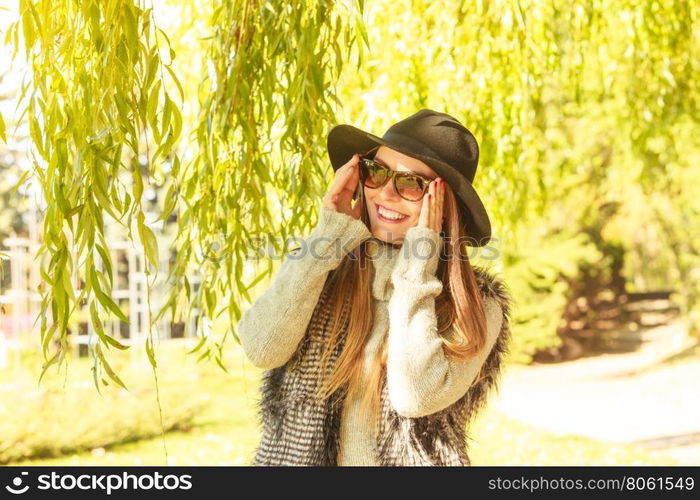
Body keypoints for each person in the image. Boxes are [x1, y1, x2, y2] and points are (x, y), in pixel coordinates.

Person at [238, 109, 513, 466]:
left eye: (411, 183)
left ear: (447, 207)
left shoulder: (474, 305)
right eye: (376, 172)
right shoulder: (322, 271)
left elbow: (414, 396)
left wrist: (418, 264)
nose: (385, 193)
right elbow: (261, 348)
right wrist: (326, 238)